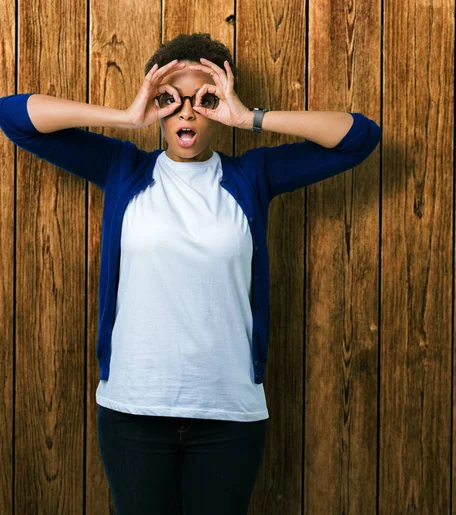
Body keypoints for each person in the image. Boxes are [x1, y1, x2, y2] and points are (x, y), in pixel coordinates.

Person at [0, 32, 381, 514]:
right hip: (134, 412)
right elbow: (14, 116)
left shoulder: (251, 176)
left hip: (228, 414)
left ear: (220, 102)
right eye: (170, 98)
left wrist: (250, 117)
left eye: (203, 98)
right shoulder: (124, 168)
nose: (185, 112)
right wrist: (127, 116)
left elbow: (359, 138)